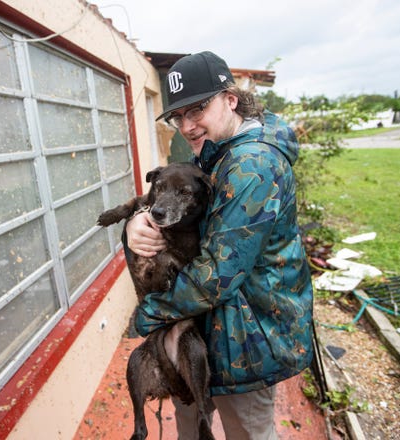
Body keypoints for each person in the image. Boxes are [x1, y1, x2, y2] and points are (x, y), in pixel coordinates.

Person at [125, 51, 314, 439]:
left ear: (230, 99)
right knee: (193, 428)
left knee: (246, 432)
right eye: (178, 116)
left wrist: (150, 315)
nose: (187, 125)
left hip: (247, 340)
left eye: (197, 109)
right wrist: (137, 221)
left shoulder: (252, 165)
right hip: (207, 332)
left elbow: (216, 275)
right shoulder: (216, 153)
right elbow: (183, 213)